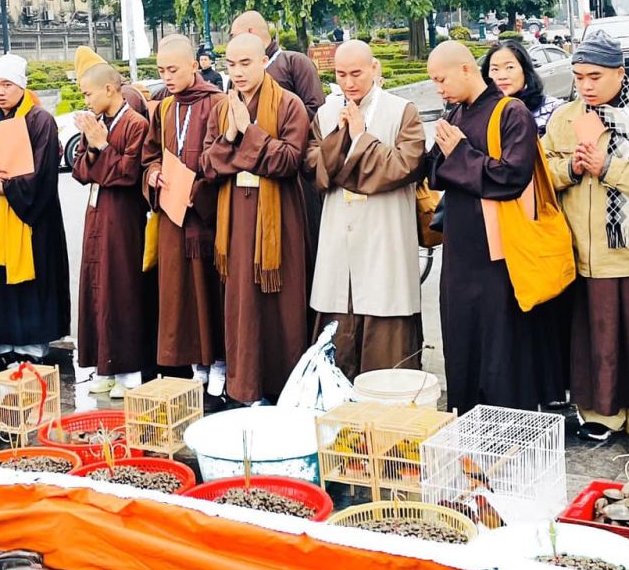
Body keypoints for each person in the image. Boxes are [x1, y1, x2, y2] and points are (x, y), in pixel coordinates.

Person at [545, 32, 629, 450]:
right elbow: (541, 170)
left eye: (595, 76)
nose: (586, 85)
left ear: (621, 73)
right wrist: (572, 170)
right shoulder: (564, 118)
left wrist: (608, 167)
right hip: (585, 251)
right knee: (595, 338)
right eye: (579, 76)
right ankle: (601, 414)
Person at [427, 39, 563, 413]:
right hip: (459, 249)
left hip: (500, 252)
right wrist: (453, 157)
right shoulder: (455, 114)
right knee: (461, 337)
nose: (439, 89)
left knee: (502, 344)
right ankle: (469, 419)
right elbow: (434, 171)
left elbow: (511, 178)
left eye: (442, 80)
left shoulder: (511, 112)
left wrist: (461, 155)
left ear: (467, 70)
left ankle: (510, 427)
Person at [201, 32, 312, 405]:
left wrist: (245, 135)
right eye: (230, 64)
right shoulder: (222, 108)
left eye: (245, 63)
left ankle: (283, 391)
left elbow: (287, 162)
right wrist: (232, 138)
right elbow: (209, 165)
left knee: (281, 306)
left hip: (279, 220)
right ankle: (244, 389)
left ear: (264, 60)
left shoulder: (289, 105)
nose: (237, 72)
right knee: (241, 305)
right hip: (236, 221)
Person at [307, 40, 426, 380]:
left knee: (386, 351)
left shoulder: (402, 111)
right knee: (337, 344)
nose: (349, 83)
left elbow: (406, 166)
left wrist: (360, 139)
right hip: (338, 244)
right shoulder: (326, 113)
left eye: (356, 73)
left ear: (375, 69)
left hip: (384, 238)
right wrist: (341, 141)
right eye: (341, 74)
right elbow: (313, 166)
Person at [0, 54, 70, 363]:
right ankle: (3, 341)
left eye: (7, 85)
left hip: (31, 216)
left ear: (22, 86)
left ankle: (32, 344)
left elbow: (43, 172)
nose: (0, 92)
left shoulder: (39, 119)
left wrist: (9, 188)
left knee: (30, 279)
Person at [143, 36, 227, 396]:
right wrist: (154, 172)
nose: (167, 77)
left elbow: (223, 155)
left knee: (210, 291)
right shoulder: (164, 108)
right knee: (178, 293)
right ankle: (195, 366)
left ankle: (220, 364)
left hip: (204, 215)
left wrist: (196, 192)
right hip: (172, 216)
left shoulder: (216, 103)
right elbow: (150, 154)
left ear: (195, 65)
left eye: (173, 69)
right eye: (161, 70)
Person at [70, 63, 151, 398]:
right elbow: (79, 170)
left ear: (109, 89)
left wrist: (103, 147)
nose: (85, 99)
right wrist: (92, 145)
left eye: (88, 93)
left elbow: (128, 174)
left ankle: (130, 372)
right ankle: (105, 366)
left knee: (122, 290)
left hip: (123, 217)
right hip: (97, 214)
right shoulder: (99, 124)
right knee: (96, 288)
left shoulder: (136, 124)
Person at [229, 11, 325, 116]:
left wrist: (280, 124)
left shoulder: (295, 62)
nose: (232, 41)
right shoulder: (237, 74)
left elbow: (316, 110)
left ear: (251, 33)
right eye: (232, 65)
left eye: (234, 36)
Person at [483, 39, 565, 136]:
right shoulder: (481, 111)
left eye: (510, 67)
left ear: (525, 71)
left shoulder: (553, 110)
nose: (502, 76)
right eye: (495, 69)